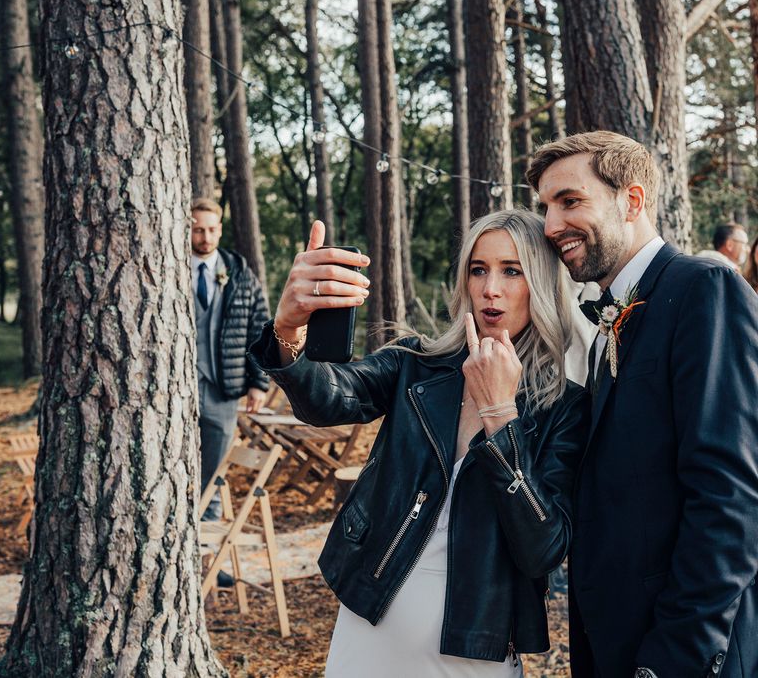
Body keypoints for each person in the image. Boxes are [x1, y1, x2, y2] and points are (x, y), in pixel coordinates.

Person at [249, 211, 589, 676]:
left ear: (544, 284)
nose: (491, 288)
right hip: (371, 621)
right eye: (478, 269)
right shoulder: (415, 364)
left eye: (512, 270)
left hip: (475, 646)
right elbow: (326, 400)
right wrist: (288, 330)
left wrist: (500, 414)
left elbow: (543, 549)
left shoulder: (565, 408)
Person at [526, 130, 758, 678]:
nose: (551, 225)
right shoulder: (614, 316)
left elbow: (730, 498)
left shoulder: (705, 289)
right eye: (545, 207)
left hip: (684, 651)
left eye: (570, 201)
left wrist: (676, 655)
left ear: (632, 201)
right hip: (615, 639)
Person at [191, 197, 270, 521]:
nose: (205, 238)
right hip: (177, 390)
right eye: (197, 230)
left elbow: (259, 327)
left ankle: (208, 556)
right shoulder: (165, 266)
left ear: (220, 229)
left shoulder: (237, 271)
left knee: (214, 472)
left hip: (224, 389)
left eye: (211, 230)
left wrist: (258, 382)